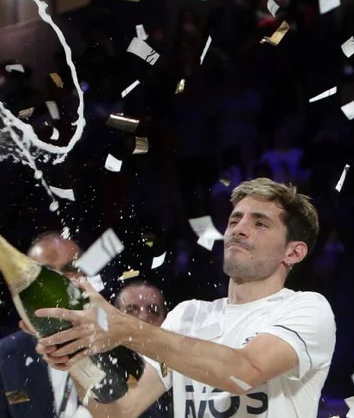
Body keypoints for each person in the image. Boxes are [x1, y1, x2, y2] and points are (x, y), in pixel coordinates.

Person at [34, 178, 336, 417]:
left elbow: (244, 371)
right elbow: (119, 412)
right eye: (234, 220)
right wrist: (74, 350)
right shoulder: (187, 315)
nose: (239, 229)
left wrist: (122, 327)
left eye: (260, 223)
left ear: (293, 252)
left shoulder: (307, 309)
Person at [0, 232, 91, 418]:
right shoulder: (3, 355)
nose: (58, 280)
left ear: (84, 276)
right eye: (45, 272)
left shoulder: (117, 340)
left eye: (69, 268)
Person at [114, 280, 172, 418]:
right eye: (131, 310)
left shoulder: (180, 372)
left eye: (153, 310)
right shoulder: (99, 367)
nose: (143, 317)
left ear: (166, 320)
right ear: (114, 319)